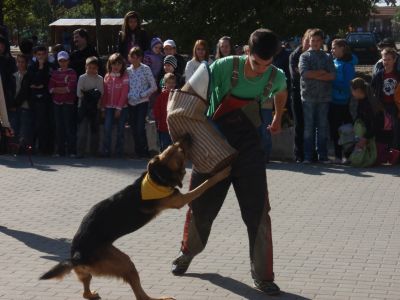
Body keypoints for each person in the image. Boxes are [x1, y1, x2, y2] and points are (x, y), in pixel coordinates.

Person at [171, 28, 287, 296]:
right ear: (247, 51)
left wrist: (278, 117)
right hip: (213, 146)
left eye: (266, 65)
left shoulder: (275, 76)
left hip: (249, 149)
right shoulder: (222, 67)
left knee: (258, 212)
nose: (260, 71)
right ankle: (187, 253)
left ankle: (263, 276)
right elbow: (186, 96)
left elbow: (281, 91)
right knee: (201, 206)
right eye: (256, 63)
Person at [299, 28, 336, 164]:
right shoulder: (304, 56)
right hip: (308, 97)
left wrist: (316, 73)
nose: (314, 43)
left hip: (324, 97)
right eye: (312, 40)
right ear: (309, 41)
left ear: (322, 41)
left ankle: (323, 156)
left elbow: (332, 75)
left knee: (322, 127)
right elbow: (304, 73)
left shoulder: (327, 56)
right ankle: (308, 157)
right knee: (308, 127)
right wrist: (322, 73)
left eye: (317, 40)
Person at [350, 78, 398, 165]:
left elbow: (377, 125)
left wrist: (365, 138)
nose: (351, 93)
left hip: (381, 135)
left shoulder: (371, 104)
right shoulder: (361, 102)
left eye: (352, 90)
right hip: (371, 134)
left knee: (374, 160)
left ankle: (391, 154)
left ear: (358, 90)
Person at [126, 47, 157, 158]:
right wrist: (128, 96)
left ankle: (144, 150)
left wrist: (143, 94)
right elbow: (125, 86)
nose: (134, 59)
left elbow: (154, 86)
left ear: (141, 58)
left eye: (137, 57)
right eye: (132, 56)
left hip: (142, 102)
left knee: (140, 126)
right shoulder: (127, 71)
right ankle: (138, 151)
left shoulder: (146, 69)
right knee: (133, 127)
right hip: (131, 102)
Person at [329, 39, 356, 164]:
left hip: (343, 102)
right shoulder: (334, 62)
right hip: (332, 101)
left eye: (334, 48)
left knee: (346, 130)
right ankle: (338, 156)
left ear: (342, 48)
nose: (332, 50)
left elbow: (347, 84)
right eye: (332, 48)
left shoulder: (348, 65)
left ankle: (347, 156)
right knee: (334, 130)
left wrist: (331, 81)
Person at [27, 45, 55, 155]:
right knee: (39, 125)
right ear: (35, 55)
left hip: (49, 99)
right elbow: (35, 81)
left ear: (47, 54)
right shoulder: (32, 67)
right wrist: (40, 68)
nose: (41, 57)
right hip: (37, 100)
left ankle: (49, 149)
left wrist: (40, 84)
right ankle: (40, 149)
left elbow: (50, 82)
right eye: (39, 54)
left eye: (43, 54)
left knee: (50, 124)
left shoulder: (51, 66)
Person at [49, 51, 78, 157]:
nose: (63, 63)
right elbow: (51, 89)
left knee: (69, 127)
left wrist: (58, 89)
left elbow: (69, 89)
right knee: (59, 127)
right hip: (57, 103)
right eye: (60, 61)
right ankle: (60, 151)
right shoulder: (55, 73)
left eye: (64, 60)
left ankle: (72, 151)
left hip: (68, 103)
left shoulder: (72, 72)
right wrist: (61, 89)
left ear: (68, 61)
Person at [289, 29, 312, 162]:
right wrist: (310, 74)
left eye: (311, 41)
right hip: (297, 92)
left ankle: (311, 153)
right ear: (303, 40)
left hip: (312, 94)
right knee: (299, 124)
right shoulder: (294, 55)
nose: (309, 43)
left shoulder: (315, 55)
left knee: (311, 125)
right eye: (307, 40)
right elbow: (297, 74)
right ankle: (299, 154)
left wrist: (309, 74)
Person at [371, 47, 400, 153]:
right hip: (382, 106)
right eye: (384, 59)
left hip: (395, 106)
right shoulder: (379, 75)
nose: (386, 62)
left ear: (394, 60)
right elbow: (373, 90)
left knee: (395, 129)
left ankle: (395, 152)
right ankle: (381, 152)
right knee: (382, 129)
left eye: (389, 59)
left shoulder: (398, 75)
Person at [100, 53, 129, 157]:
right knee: (107, 128)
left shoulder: (124, 76)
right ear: (110, 64)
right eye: (114, 64)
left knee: (121, 129)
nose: (116, 66)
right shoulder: (107, 76)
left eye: (119, 64)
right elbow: (104, 94)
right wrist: (103, 108)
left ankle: (119, 152)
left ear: (122, 65)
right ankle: (106, 150)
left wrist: (119, 108)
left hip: (121, 108)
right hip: (108, 108)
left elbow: (124, 93)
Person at [76, 56, 104, 158]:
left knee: (95, 131)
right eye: (90, 67)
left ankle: (94, 152)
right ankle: (80, 152)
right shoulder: (82, 78)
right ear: (86, 67)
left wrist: (88, 94)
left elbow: (100, 93)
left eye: (94, 68)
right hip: (83, 107)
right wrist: (92, 93)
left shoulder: (100, 78)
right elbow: (79, 93)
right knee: (82, 131)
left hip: (95, 108)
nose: (92, 70)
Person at [12, 53, 33, 152]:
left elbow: (25, 92)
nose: (20, 64)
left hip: (25, 105)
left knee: (24, 129)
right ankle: (15, 149)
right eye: (19, 62)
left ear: (26, 63)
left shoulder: (29, 75)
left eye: (22, 62)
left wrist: (15, 104)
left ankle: (24, 149)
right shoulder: (13, 75)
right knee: (14, 128)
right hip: (14, 106)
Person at [153, 73, 175, 151]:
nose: (171, 85)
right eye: (169, 83)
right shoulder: (161, 96)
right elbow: (156, 110)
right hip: (163, 126)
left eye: (172, 83)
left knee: (173, 147)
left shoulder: (177, 95)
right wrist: (158, 120)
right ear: (165, 83)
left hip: (174, 127)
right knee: (164, 146)